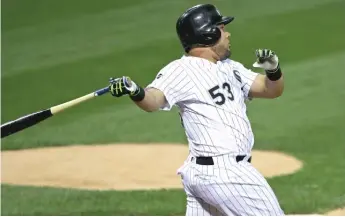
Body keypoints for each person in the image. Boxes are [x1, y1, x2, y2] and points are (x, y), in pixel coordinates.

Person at [108, 3, 285, 216]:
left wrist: (273, 70)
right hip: (229, 174)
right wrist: (135, 91)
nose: (227, 34)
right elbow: (153, 99)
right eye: (221, 28)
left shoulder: (230, 67)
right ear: (208, 34)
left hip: (204, 175)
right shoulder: (181, 70)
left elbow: (270, 89)